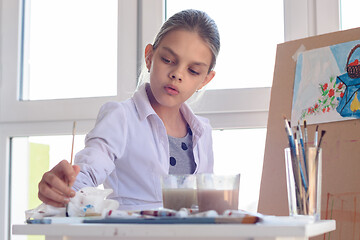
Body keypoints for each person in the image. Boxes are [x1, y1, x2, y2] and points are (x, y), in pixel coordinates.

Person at [38, 9, 220, 210]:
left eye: (193, 71)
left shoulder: (203, 131)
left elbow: (206, 205)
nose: (177, 74)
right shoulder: (121, 117)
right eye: (168, 60)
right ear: (149, 57)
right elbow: (87, 172)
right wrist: (63, 186)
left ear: (205, 79)